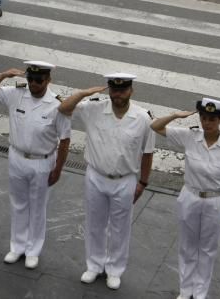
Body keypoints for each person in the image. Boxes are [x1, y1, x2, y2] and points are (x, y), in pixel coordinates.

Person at [58, 74, 154, 291]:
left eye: (122, 90)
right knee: (94, 224)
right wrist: (83, 93)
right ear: (109, 90)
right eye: (114, 90)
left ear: (131, 91)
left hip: (125, 180)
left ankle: (114, 269)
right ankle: (94, 265)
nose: (117, 94)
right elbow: (63, 109)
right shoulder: (93, 109)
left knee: (120, 228)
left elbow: (148, 153)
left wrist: (143, 183)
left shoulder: (143, 118)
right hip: (96, 176)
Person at [0, 61, 71, 270]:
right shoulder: (16, 93)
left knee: (38, 208)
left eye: (38, 80)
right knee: (18, 204)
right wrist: (3, 74)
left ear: (48, 80)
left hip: (42, 162)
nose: (33, 84)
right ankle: (17, 246)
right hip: (17, 157)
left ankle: (33, 250)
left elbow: (65, 140)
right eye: (30, 79)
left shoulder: (58, 105)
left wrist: (58, 168)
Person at [151, 99, 220, 299]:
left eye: (212, 119)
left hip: (216, 201)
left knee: (208, 250)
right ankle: (185, 292)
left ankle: (200, 293)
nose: (206, 123)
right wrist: (176, 115)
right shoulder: (190, 136)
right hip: (190, 197)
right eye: (203, 118)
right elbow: (155, 126)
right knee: (187, 247)